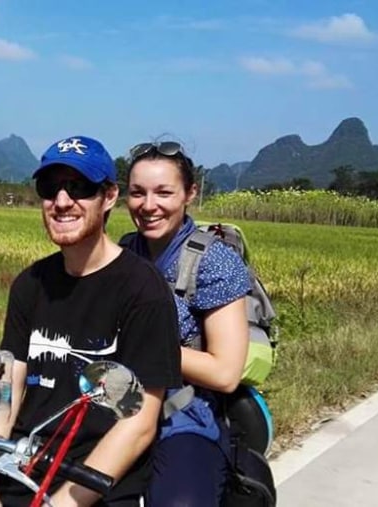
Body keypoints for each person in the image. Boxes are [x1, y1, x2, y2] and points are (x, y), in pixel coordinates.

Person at [0, 135, 182, 507]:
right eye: (50, 188)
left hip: (95, 486)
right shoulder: (30, 284)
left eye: (79, 188)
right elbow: (3, 394)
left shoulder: (143, 290)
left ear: (109, 197)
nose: (62, 201)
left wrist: (59, 505)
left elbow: (138, 425)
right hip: (19, 471)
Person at [120, 141, 251, 506]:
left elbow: (226, 372)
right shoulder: (125, 251)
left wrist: (143, 350)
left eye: (164, 192)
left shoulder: (213, 262)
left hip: (183, 416)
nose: (149, 206)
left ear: (190, 193)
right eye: (137, 193)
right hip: (121, 406)